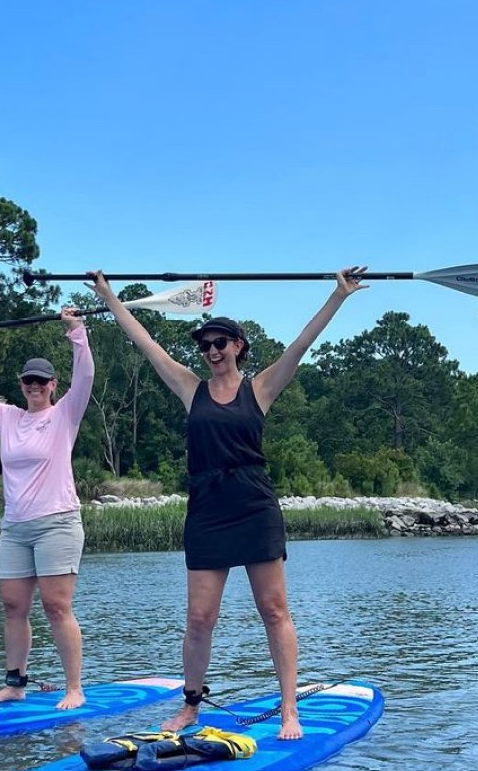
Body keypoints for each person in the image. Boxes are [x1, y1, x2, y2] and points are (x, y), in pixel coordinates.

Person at [89, 268, 368, 740]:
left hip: (254, 505)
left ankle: (289, 711)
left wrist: (337, 295)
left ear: (239, 346)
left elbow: (301, 345)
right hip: (207, 510)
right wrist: (110, 297)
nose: (212, 351)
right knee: (199, 618)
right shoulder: (188, 388)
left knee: (274, 609)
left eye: (221, 343)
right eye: (205, 345)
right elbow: (144, 342)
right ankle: (191, 706)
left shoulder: (259, 389)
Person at [0, 307, 93, 708]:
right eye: (28, 381)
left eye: (41, 381)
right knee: (13, 606)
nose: (34, 386)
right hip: (16, 527)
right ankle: (15, 682)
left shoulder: (64, 415)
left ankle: (74, 687)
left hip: (57, 522)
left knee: (56, 606)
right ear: (21, 384)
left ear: (53, 385)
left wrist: (77, 331)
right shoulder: (7, 417)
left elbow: (87, 376)